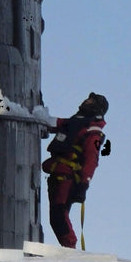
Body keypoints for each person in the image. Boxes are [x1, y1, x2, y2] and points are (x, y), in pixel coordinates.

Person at [42, 93, 110, 248]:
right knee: (57, 215)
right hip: (58, 173)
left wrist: (83, 185)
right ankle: (69, 247)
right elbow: (57, 123)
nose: (85, 101)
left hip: (67, 177)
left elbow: (92, 160)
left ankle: (70, 248)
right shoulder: (76, 123)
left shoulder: (93, 133)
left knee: (59, 215)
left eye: (90, 101)